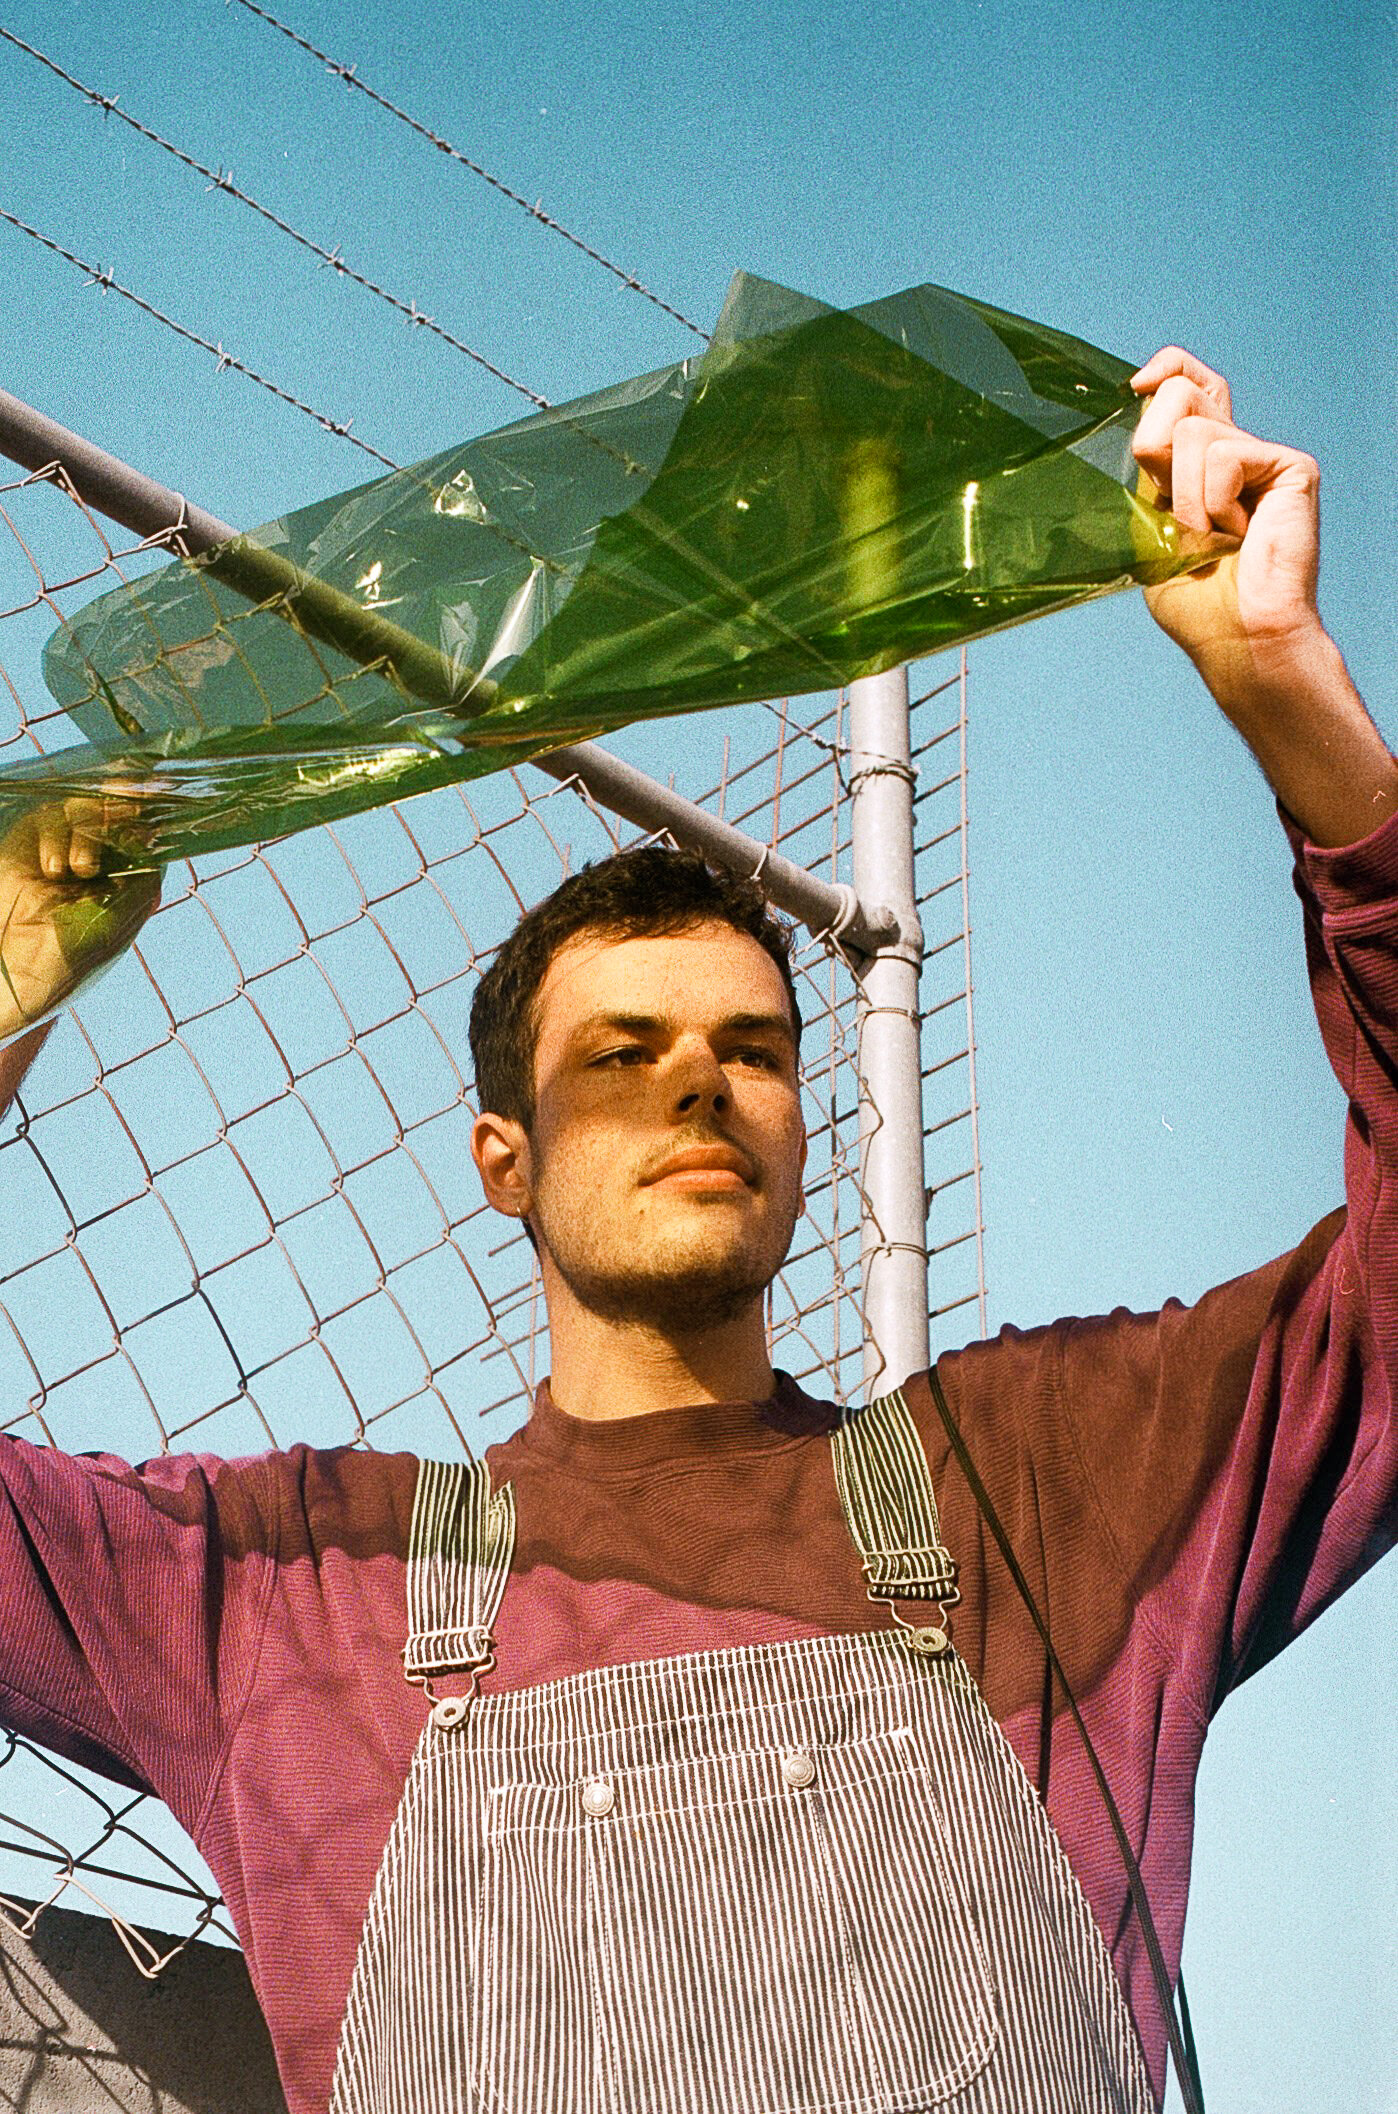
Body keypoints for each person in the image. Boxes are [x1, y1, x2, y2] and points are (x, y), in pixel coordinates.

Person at [0, 347, 1392, 2114]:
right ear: (503, 1159)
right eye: (621, 1053)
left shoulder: (1051, 1480)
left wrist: (1294, 703)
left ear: (804, 1130)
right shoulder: (291, 1592)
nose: (696, 1085)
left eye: (753, 1050)